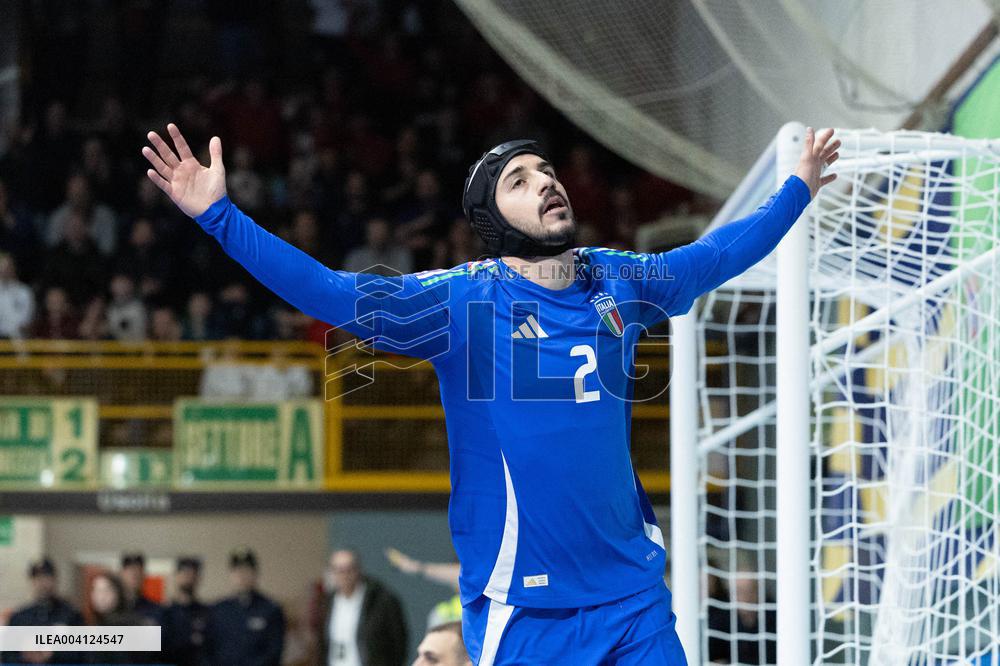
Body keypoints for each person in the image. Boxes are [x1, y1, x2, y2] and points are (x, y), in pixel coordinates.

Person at [142, 123, 839, 665]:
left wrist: (799, 188)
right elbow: (332, 293)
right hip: (526, 615)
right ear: (493, 217)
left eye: (547, 171)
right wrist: (220, 218)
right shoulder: (463, 303)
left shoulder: (620, 277)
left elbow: (718, 255)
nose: (544, 182)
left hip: (632, 596)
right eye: (518, 180)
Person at [319, 549, 408, 666]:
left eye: (349, 570)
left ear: (358, 570)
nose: (344, 576)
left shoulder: (380, 600)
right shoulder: (328, 602)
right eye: (339, 570)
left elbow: (399, 641)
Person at [205, 547, 285, 666]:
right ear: (231, 575)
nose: (242, 576)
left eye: (247, 570)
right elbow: (208, 650)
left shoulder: (271, 610)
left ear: (255, 573)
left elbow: (274, 653)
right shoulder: (218, 610)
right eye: (237, 571)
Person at [3, 558, 84, 665]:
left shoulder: (71, 616)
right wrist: (25, 655)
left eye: (47, 577)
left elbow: (82, 654)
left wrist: (53, 653)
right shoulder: (19, 618)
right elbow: (7, 656)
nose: (42, 583)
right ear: (32, 582)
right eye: (38, 578)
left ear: (55, 580)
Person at [162, 557, 210, 666]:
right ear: (176, 576)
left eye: (193, 573)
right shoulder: (163, 613)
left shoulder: (208, 613)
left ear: (198, 578)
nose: (188, 577)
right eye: (184, 573)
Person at [119, 552, 163, 626]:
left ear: (143, 575)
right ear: (121, 574)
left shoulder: (156, 610)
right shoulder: (112, 608)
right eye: (130, 571)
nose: (134, 574)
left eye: (138, 571)